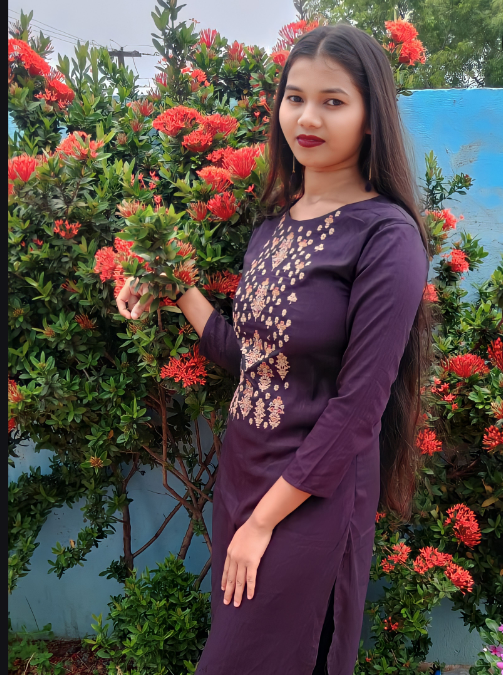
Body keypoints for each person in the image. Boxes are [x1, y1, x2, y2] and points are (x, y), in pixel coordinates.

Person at [116, 22, 433, 675]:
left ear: (370, 117)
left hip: (311, 496)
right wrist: (173, 284)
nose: (307, 117)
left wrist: (264, 522)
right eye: (295, 97)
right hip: (244, 477)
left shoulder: (386, 236)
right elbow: (250, 360)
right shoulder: (273, 227)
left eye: (332, 101)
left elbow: (358, 408)